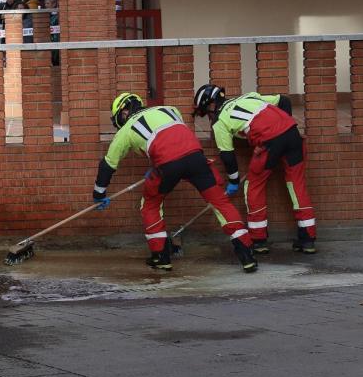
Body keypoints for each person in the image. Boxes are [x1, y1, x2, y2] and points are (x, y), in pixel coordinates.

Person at [94, 93, 258, 272]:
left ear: (124, 112)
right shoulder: (169, 109)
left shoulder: (125, 131)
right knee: (220, 203)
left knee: (150, 205)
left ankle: (161, 256)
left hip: (166, 165)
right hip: (197, 158)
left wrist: (99, 194)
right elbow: (175, 138)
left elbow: (108, 165)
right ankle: (246, 254)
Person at [193, 84, 316, 254]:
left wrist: (234, 181)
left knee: (253, 187)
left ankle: (259, 241)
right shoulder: (248, 97)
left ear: (212, 104)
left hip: (269, 143)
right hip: (292, 134)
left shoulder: (220, 122)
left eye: (207, 112)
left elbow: (228, 156)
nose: (208, 116)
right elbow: (284, 101)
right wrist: (285, 128)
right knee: (296, 186)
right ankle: (308, 240)